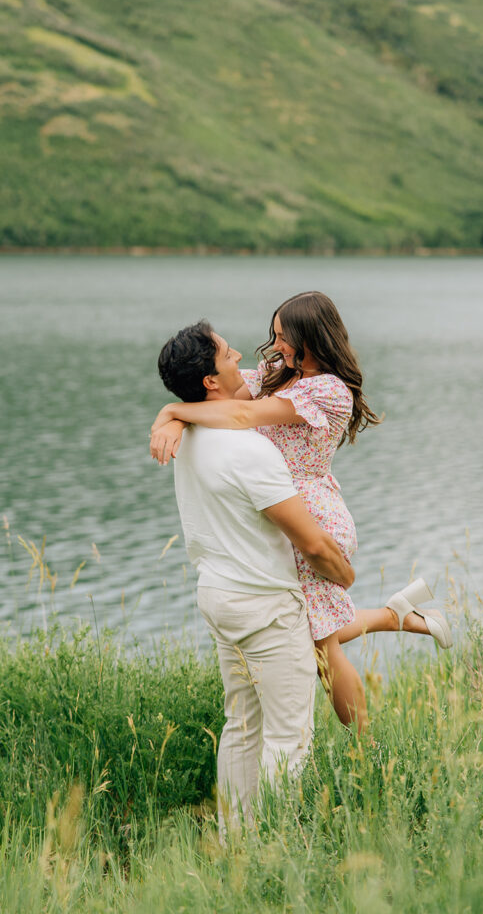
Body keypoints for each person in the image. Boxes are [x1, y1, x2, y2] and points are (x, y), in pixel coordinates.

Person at [151, 292, 452, 727]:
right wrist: (178, 416)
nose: (274, 347)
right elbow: (224, 398)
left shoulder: (327, 390)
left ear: (310, 339)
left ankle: (369, 751)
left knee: (320, 645)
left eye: (282, 338)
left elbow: (238, 416)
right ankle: (397, 616)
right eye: (274, 336)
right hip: (275, 506)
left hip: (309, 512)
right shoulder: (281, 372)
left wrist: (171, 409)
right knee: (311, 629)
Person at [157, 320, 357, 830]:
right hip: (264, 605)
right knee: (288, 738)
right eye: (227, 353)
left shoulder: (194, 435)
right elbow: (311, 542)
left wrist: (170, 412)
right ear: (210, 380)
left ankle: (235, 842)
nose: (243, 352)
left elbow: (242, 402)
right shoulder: (252, 450)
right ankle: (274, 847)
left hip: (218, 595)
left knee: (241, 727)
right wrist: (343, 573)